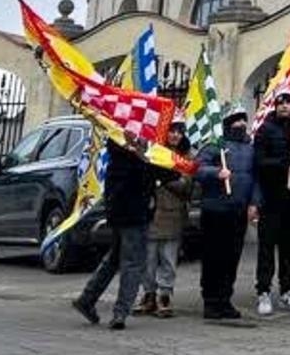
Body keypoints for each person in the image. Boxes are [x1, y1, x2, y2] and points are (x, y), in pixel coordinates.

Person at [72, 142, 173, 330]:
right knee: (132, 263)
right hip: (134, 213)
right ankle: (120, 312)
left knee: (115, 258)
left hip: (119, 211)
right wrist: (165, 164)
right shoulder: (133, 153)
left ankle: (87, 299)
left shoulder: (120, 149)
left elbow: (159, 171)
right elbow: (152, 172)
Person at [195, 102, 259, 321]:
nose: (241, 123)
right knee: (214, 257)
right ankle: (211, 302)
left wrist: (254, 203)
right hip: (215, 210)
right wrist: (216, 172)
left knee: (232, 257)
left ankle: (225, 299)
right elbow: (198, 169)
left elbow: (255, 178)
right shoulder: (215, 145)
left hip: (238, 211)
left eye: (244, 119)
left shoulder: (251, 148)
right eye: (237, 119)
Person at [135, 122, 192, 319]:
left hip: (172, 212)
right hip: (151, 211)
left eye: (179, 132)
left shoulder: (185, 155)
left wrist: (165, 178)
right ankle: (148, 294)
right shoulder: (154, 150)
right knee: (148, 258)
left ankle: (165, 295)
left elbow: (186, 183)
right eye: (172, 131)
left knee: (168, 258)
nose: (175, 135)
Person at [253, 87, 290, 316]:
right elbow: (260, 162)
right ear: (275, 105)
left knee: (289, 247)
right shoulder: (265, 130)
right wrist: (283, 161)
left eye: (288, 102)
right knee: (266, 247)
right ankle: (263, 290)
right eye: (281, 102)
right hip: (271, 198)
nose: (284, 106)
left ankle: (287, 288)